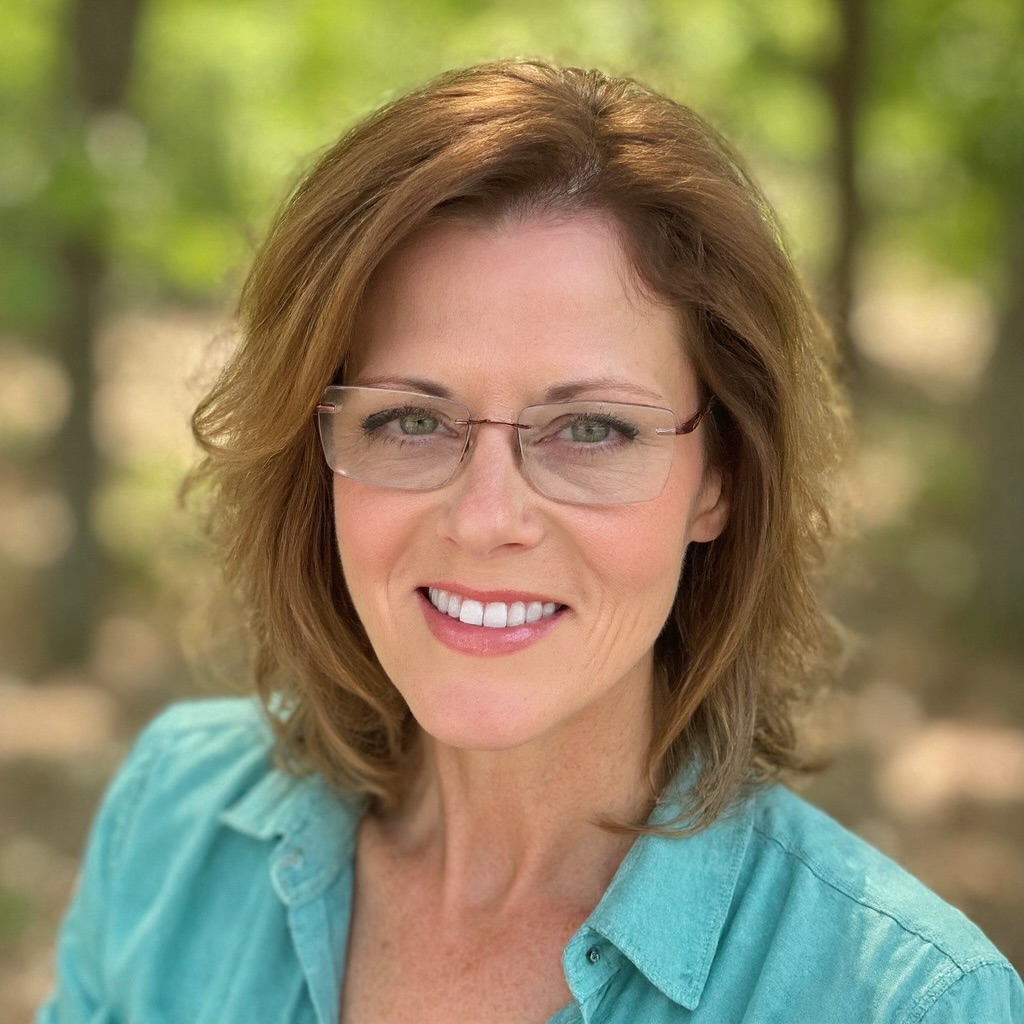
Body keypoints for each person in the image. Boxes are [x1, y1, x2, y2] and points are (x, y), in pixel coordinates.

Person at [38, 60, 1023, 1024]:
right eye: (410, 422)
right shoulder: (176, 822)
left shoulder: (908, 1001)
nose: (484, 518)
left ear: (719, 478)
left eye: (591, 429)